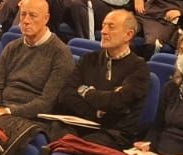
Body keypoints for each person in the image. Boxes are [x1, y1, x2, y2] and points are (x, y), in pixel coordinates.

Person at [52, 8, 149, 147]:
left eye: (111, 27)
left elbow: (117, 102)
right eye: (103, 25)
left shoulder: (139, 68)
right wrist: (95, 112)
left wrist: (86, 92)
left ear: (128, 35)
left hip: (112, 132)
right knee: (55, 133)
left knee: (75, 147)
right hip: (80, 123)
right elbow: (66, 94)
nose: (103, 31)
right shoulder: (88, 59)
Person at [0, 0, 74, 117]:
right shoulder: (12, 47)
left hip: (29, 117)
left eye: (33, 15)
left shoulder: (60, 54)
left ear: (46, 19)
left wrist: (7, 112)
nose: (26, 21)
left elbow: (47, 102)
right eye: (23, 15)